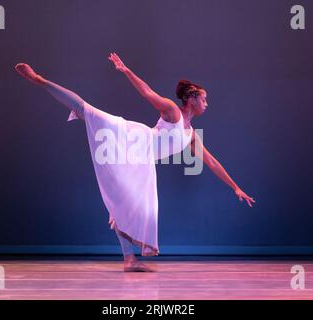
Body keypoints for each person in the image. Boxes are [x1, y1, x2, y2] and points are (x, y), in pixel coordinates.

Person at [14, 53, 255, 272]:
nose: (207, 104)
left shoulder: (191, 134)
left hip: (142, 161)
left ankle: (130, 259)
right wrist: (126, 70)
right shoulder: (172, 112)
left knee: (135, 207)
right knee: (87, 110)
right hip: (134, 140)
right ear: (191, 99)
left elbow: (211, 161)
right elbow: (147, 93)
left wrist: (235, 187)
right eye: (204, 99)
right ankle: (39, 79)